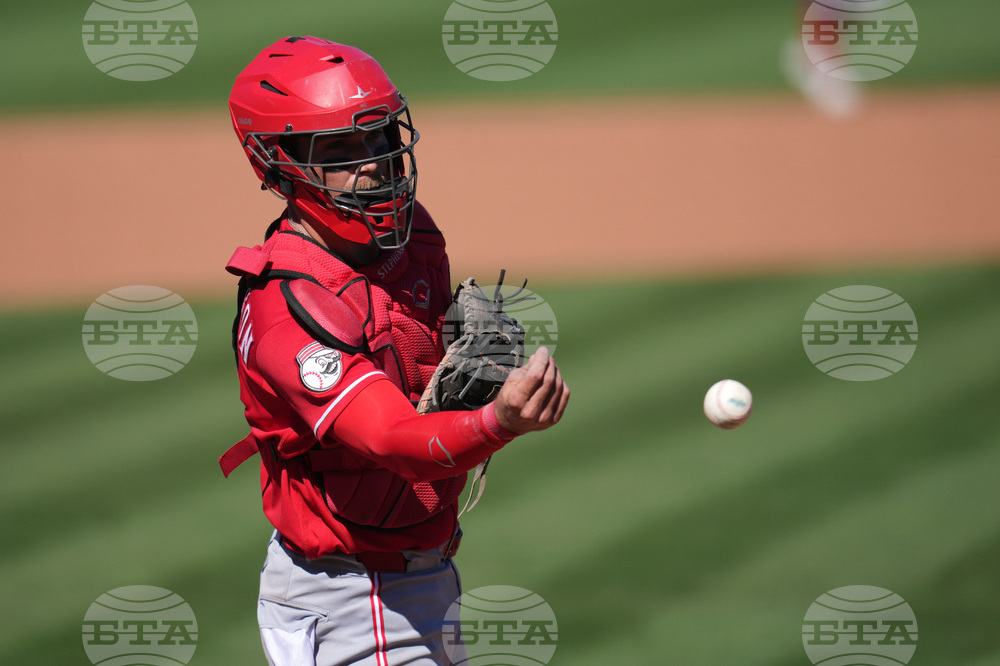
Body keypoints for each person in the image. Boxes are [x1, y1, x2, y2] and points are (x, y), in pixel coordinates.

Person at [220, 35, 570, 666]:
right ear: (276, 163)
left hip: (411, 578)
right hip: (358, 599)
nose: (374, 164)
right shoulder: (290, 308)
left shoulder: (408, 241)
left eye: (380, 137)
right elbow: (393, 443)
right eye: (340, 149)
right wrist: (499, 421)